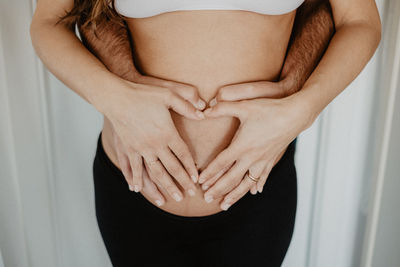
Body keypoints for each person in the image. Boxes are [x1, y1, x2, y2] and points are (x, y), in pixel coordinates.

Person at [30, 0, 381, 266]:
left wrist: (304, 109)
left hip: (257, 187)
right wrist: (116, 101)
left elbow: (360, 22)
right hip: (134, 183)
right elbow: (48, 24)